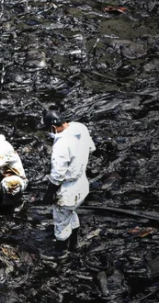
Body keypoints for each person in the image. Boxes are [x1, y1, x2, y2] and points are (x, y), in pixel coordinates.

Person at [39, 110, 94, 261]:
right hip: (82, 182)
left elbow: (57, 175)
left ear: (53, 127)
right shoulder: (79, 127)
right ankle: (74, 244)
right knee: (71, 213)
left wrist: (50, 193)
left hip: (68, 190)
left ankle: (60, 252)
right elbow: (91, 148)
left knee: (61, 220)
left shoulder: (62, 145)